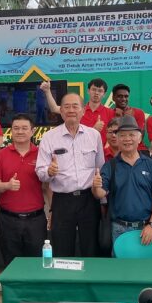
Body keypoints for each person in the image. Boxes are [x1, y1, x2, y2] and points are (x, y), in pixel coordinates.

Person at [36, 93, 105, 257]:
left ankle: (90, 274)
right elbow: (40, 172)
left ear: (83, 111)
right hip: (62, 201)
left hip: (89, 199)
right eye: (66, 107)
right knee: (62, 247)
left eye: (75, 106)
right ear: (61, 111)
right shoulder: (49, 137)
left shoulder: (94, 135)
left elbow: (100, 168)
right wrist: (49, 172)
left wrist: (102, 200)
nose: (71, 110)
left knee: (91, 247)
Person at [92, 115, 152, 245]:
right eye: (122, 135)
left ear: (139, 138)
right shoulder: (110, 166)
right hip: (119, 228)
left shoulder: (150, 164)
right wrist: (95, 186)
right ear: (117, 139)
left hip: (146, 228)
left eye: (131, 135)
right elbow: (100, 193)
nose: (127, 139)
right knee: (120, 259)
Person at [0, 114, 48, 265]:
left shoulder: (42, 154)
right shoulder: (1, 155)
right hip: (8, 220)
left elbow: (49, 184)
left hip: (35, 220)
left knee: (36, 264)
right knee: (11, 264)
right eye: (16, 128)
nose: (20, 131)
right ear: (11, 131)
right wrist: (7, 186)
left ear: (33, 131)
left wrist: (52, 210)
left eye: (24, 128)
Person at [41, 78, 114, 143]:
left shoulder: (110, 113)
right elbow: (54, 108)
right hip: (79, 150)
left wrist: (106, 150)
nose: (96, 93)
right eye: (94, 89)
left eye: (100, 91)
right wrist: (47, 91)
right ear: (88, 91)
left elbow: (114, 135)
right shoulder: (78, 110)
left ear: (104, 94)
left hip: (102, 153)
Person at [111, 84, 148, 151]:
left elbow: (140, 137)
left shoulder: (138, 112)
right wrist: (119, 118)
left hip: (139, 150)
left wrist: (127, 117)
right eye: (120, 96)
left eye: (126, 96)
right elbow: (111, 137)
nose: (123, 99)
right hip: (116, 151)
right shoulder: (109, 113)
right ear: (113, 98)